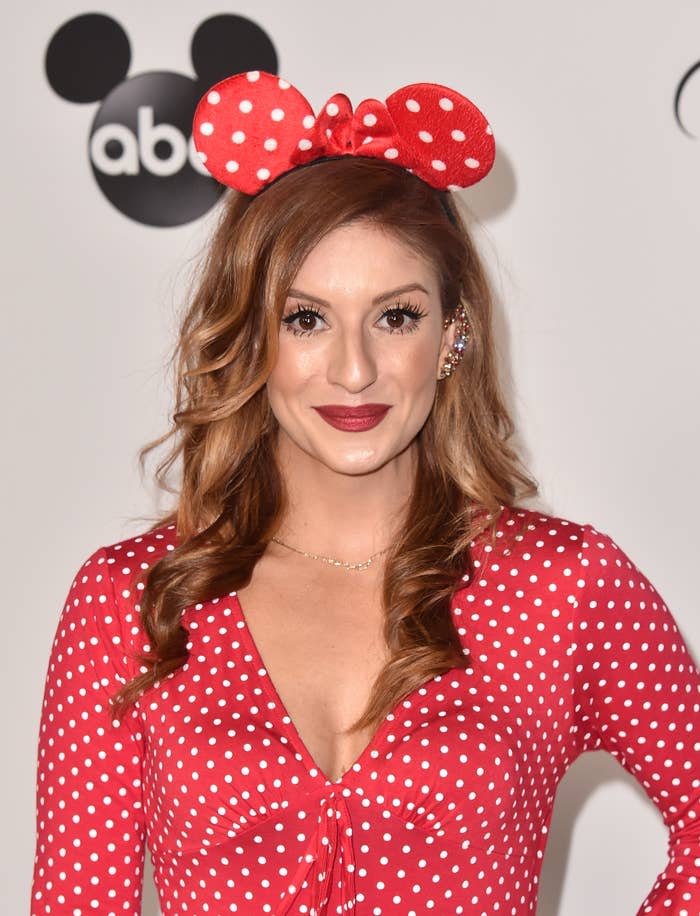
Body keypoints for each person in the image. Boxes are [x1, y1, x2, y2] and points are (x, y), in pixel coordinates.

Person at [31, 72, 699, 916]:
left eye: (396, 316)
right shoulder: (131, 600)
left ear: (453, 333)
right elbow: (76, 903)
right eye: (305, 319)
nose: (354, 369)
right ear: (250, 336)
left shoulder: (563, 590)